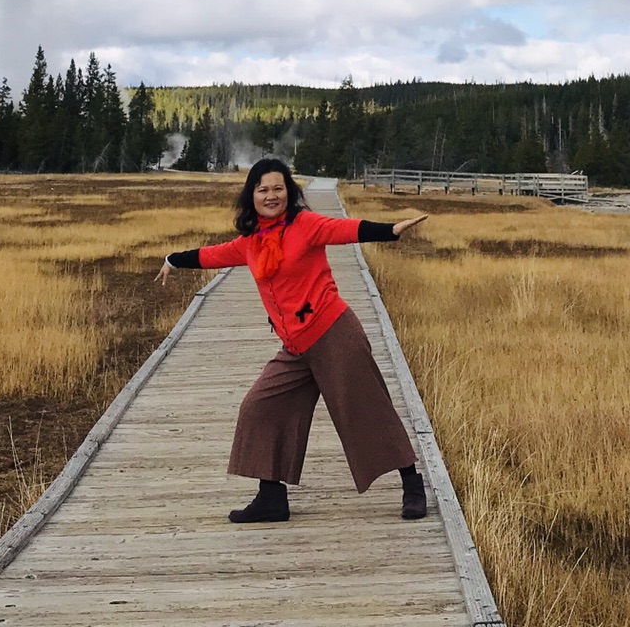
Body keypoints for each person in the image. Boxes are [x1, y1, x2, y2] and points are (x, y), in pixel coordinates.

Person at [156, 157, 430, 524]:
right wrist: (174, 259)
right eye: (263, 189)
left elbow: (346, 229)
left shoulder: (306, 225)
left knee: (365, 409)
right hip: (296, 347)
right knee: (260, 407)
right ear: (251, 195)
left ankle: (412, 486)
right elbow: (211, 255)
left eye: (278, 188)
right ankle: (271, 497)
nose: (271, 196)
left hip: (334, 333)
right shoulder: (250, 243)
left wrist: (390, 230)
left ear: (290, 192)